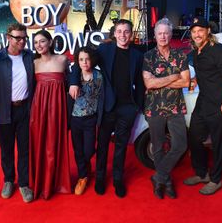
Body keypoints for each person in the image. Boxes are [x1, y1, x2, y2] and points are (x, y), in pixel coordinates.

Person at [69, 19, 145, 198]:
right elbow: (81, 57)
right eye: (119, 31)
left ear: (131, 34)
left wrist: (139, 106)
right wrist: (73, 81)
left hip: (127, 108)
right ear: (114, 33)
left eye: (126, 31)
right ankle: (101, 177)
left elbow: (140, 83)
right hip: (107, 107)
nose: (123, 35)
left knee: (121, 146)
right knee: (102, 145)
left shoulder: (137, 55)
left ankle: (118, 179)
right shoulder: (105, 50)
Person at [183, 16, 222, 195]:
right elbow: (205, 72)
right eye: (194, 31)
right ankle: (202, 174)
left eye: (200, 30)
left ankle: (216, 180)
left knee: (217, 143)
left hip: (219, 105)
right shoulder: (197, 51)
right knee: (194, 138)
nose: (197, 34)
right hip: (203, 101)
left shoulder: (220, 51)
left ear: (208, 31)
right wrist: (194, 80)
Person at [142, 19, 190, 199]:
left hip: (176, 107)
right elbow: (149, 83)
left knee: (180, 144)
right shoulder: (148, 57)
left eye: (166, 33)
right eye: (159, 33)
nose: (163, 36)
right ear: (155, 35)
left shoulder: (181, 55)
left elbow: (186, 82)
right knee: (158, 146)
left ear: (171, 35)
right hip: (154, 108)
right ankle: (166, 180)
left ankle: (158, 176)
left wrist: (159, 81)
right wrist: (174, 76)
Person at [0, 23, 34, 203]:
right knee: (6, 149)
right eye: (18, 38)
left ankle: (24, 183)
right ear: (8, 38)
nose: (22, 41)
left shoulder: (30, 56)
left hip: (25, 109)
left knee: (24, 149)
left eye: (24, 38)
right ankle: (9, 180)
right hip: (5, 110)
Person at [29, 29, 71, 200]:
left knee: (55, 142)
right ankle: (40, 182)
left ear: (50, 42)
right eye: (36, 42)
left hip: (58, 107)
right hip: (39, 108)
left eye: (42, 41)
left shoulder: (63, 60)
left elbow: (70, 82)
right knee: (39, 142)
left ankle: (55, 182)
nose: (39, 45)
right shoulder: (33, 63)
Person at [69, 47, 103, 195]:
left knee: (88, 150)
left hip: (91, 119)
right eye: (81, 59)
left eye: (87, 59)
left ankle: (85, 165)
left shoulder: (99, 77)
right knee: (78, 150)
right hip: (75, 119)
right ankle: (82, 176)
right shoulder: (73, 76)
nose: (84, 62)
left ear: (92, 60)